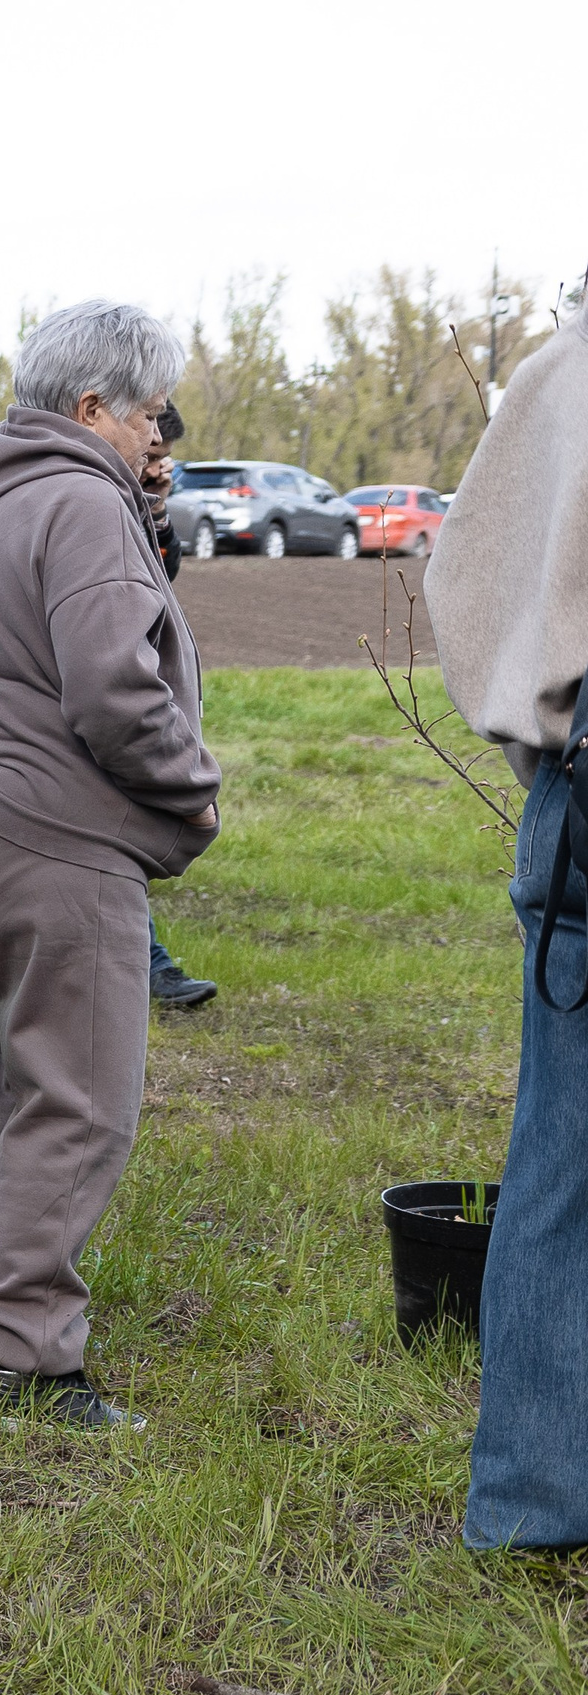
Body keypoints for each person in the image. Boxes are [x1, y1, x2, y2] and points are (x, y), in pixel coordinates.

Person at [0, 301, 219, 1429]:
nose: (155, 438)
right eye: (148, 414)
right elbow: (114, 690)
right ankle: (26, 1353)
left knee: (25, 1086)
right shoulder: (81, 502)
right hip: (63, 842)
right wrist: (191, 787)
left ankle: (5, 1299)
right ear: (92, 406)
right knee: (81, 1104)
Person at [425, 306, 588, 1551]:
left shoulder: (553, 375)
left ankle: (532, 1503)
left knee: (558, 1163)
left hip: (571, 795)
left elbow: (463, 577)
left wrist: (538, 740)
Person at [140, 403, 217, 1010]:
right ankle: (150, 965)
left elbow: (163, 574)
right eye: (151, 454)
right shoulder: (87, 498)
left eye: (165, 459)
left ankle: (147, 962)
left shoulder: (135, 498)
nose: (157, 465)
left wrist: (158, 509)